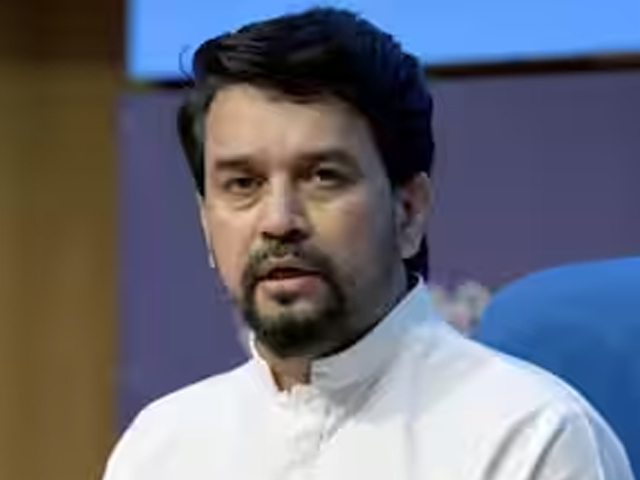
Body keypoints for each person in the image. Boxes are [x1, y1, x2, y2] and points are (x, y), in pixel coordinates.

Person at [102, 7, 634, 480]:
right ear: (205, 224)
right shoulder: (160, 448)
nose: (279, 220)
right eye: (243, 184)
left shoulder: (530, 437)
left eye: (323, 177)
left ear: (409, 211)